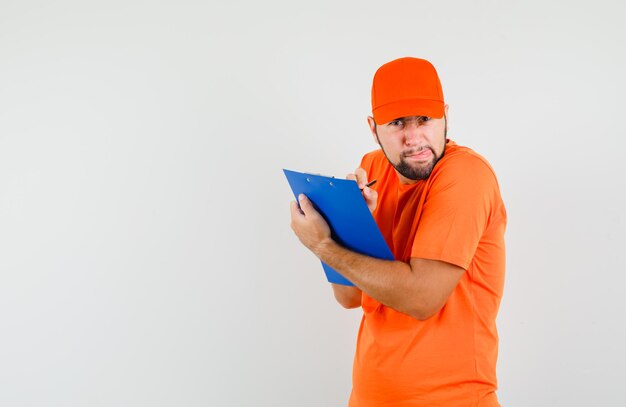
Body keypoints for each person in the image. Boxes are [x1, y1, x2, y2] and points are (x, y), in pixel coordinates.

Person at [289, 57, 507, 407]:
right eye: (397, 123)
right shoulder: (372, 167)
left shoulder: (467, 175)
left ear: (446, 115)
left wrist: (324, 245)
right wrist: (350, 225)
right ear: (373, 128)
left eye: (425, 120)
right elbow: (349, 298)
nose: (414, 137)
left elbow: (422, 299)